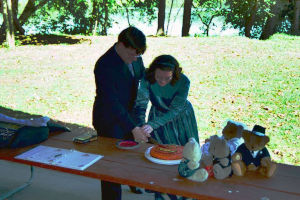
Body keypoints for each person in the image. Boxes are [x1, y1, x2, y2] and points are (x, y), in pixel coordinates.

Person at [92, 26, 149, 200]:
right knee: (111, 164)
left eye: (138, 55)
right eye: (133, 54)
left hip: (129, 114)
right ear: (121, 45)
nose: (135, 59)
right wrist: (132, 127)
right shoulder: (104, 65)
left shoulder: (135, 56)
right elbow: (111, 102)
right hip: (109, 119)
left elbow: (143, 76)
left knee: (131, 155)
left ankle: (131, 181)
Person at [134, 55, 199, 200]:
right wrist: (141, 125)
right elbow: (142, 102)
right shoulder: (147, 77)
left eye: (167, 78)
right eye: (158, 77)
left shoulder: (183, 81)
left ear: (175, 75)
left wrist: (152, 124)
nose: (162, 82)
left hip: (181, 118)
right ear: (153, 72)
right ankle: (160, 190)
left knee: (184, 154)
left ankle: (185, 192)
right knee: (160, 154)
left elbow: (175, 111)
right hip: (157, 114)